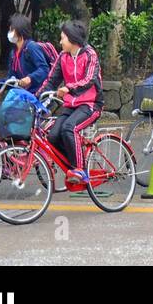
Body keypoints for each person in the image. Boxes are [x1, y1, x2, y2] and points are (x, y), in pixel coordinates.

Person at [42, 21, 103, 184]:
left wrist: (69, 88)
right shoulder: (63, 57)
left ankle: (80, 170)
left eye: (63, 38)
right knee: (53, 136)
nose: (60, 42)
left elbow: (89, 79)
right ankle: (73, 166)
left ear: (72, 39)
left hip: (91, 104)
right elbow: (51, 81)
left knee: (70, 127)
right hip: (71, 105)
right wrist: (36, 99)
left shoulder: (90, 54)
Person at [0, 14, 50, 93]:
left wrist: (30, 78)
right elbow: (12, 78)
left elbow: (44, 69)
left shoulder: (31, 47)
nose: (9, 33)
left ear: (19, 30)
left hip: (37, 93)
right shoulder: (13, 53)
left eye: (12, 30)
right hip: (23, 93)